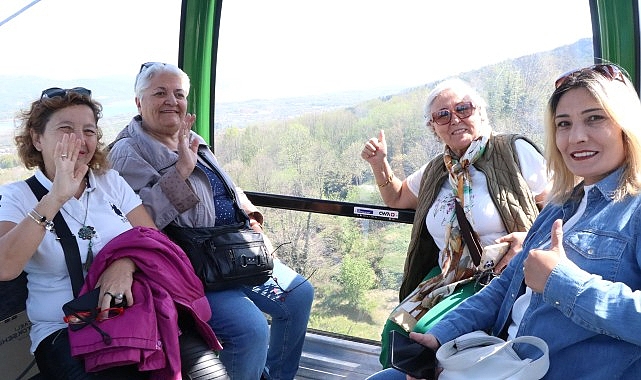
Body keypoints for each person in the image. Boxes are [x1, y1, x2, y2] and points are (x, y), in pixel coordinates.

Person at [373, 63, 641, 379]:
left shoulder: (632, 210)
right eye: (563, 124)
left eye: (595, 118)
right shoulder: (563, 204)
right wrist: (440, 337)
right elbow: (505, 287)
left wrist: (561, 282)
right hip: (504, 358)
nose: (576, 137)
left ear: (626, 123)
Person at [107, 62, 315, 380]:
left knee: (299, 294)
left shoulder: (191, 137)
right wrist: (181, 171)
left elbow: (228, 186)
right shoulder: (128, 153)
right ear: (139, 102)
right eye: (159, 93)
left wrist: (253, 221)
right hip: (194, 267)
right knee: (251, 329)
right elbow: (142, 221)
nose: (171, 101)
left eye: (178, 94)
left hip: (234, 251)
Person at [360, 78, 550, 368]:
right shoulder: (437, 169)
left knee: (421, 338)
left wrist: (528, 240)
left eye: (463, 108)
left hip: (500, 276)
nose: (455, 119)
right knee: (395, 330)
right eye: (443, 115)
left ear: (481, 113)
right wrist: (379, 164)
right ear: (433, 127)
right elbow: (397, 198)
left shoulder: (513, 152)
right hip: (448, 275)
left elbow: (562, 207)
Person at [0, 87, 158, 379]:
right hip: (63, 330)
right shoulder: (17, 196)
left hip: (129, 314)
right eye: (65, 128)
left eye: (89, 130)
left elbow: (152, 240)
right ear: (37, 139)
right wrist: (55, 197)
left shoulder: (110, 182)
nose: (80, 139)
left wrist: (124, 265)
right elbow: (5, 266)